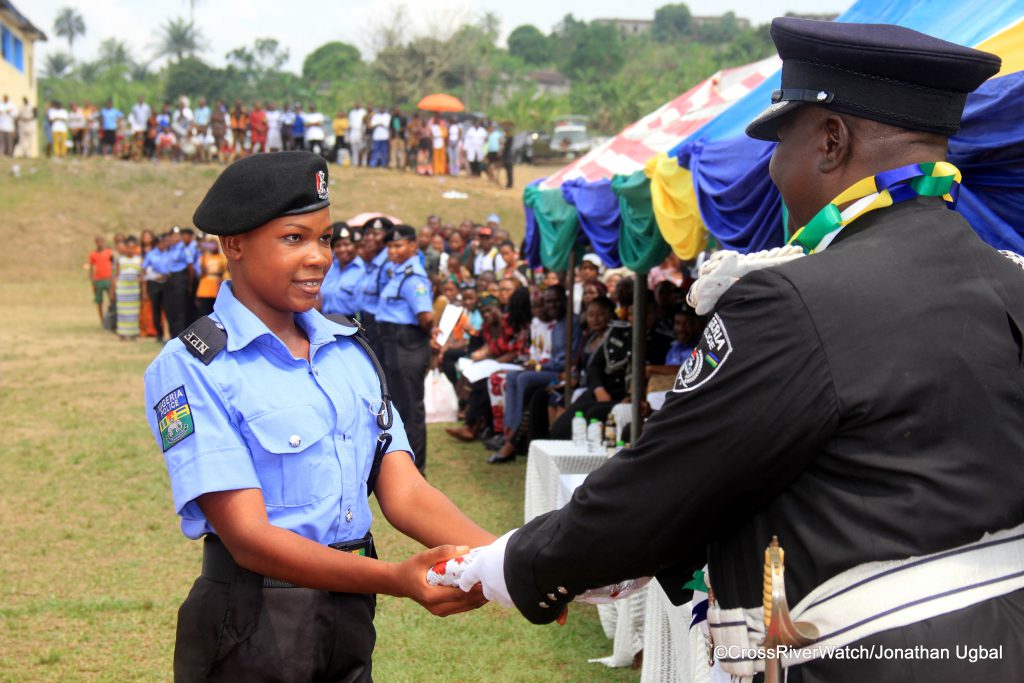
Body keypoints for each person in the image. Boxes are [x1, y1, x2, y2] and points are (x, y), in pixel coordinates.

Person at [457, 18, 1024, 682]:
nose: (774, 170)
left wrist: (507, 567)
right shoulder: (1007, 279)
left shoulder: (793, 299)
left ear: (831, 141)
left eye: (777, 144)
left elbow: (665, 480)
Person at [143, 151, 491, 680]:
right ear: (233, 244)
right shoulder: (194, 367)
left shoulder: (348, 353)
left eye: (325, 238)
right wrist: (395, 577)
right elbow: (249, 537)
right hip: (250, 622)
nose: (319, 257)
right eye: (294, 238)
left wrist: (511, 562)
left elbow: (406, 491)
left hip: (349, 615)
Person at [375, 225, 435, 472]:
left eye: (398, 245)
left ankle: (416, 469)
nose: (392, 251)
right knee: (397, 406)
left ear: (413, 246)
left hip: (406, 344)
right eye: (389, 246)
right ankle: (403, 464)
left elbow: (426, 317)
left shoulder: (413, 278)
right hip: (392, 343)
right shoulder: (397, 273)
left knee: (410, 410)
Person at [320, 223, 365, 317]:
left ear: (355, 246)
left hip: (350, 323)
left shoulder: (364, 270)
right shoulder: (329, 267)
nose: (342, 249)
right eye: (338, 245)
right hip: (324, 320)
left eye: (347, 244)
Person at [114, 236, 142, 340]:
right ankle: (122, 333)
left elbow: (141, 275)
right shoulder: (120, 260)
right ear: (125, 248)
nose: (130, 250)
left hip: (133, 290)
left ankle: (134, 333)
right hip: (123, 290)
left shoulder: (138, 260)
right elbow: (116, 275)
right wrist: (114, 289)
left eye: (132, 247)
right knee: (122, 312)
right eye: (128, 247)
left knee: (133, 312)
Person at [88, 236, 114, 325]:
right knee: (99, 301)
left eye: (101, 241)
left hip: (108, 279)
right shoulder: (93, 254)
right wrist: (92, 279)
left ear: (104, 242)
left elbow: (114, 264)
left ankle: (111, 318)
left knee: (111, 299)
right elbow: (91, 267)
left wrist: (113, 277)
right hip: (98, 280)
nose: (100, 244)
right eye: (97, 242)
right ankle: (102, 320)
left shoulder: (109, 252)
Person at [348, 102, 367, 166]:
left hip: (360, 131)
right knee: (354, 148)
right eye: (356, 104)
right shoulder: (351, 113)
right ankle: (355, 162)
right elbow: (350, 124)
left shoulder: (363, 112)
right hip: (353, 132)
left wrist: (364, 132)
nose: (357, 105)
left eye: (358, 104)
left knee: (362, 148)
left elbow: (365, 123)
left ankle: (364, 163)